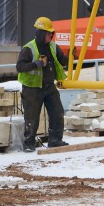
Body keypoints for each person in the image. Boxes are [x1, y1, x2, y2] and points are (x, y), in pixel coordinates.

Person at [16, 16, 69, 152]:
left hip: (49, 86)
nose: (51, 36)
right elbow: (20, 67)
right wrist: (36, 64)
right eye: (48, 33)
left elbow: (62, 61)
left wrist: (71, 56)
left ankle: (55, 140)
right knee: (32, 117)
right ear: (40, 34)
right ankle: (29, 143)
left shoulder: (53, 46)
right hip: (32, 88)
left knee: (57, 112)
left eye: (52, 33)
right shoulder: (29, 48)